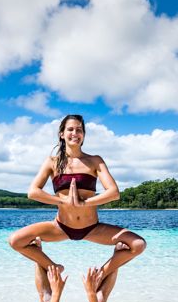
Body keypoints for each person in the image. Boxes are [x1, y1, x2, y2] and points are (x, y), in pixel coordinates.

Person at [8, 115, 146, 283]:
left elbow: (113, 192)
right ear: (61, 134)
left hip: (92, 228)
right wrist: (63, 201)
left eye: (79, 130)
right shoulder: (52, 162)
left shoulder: (95, 161)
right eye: (70, 129)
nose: (75, 133)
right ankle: (53, 267)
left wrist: (84, 203)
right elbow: (33, 192)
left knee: (138, 244)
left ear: (84, 135)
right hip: (60, 227)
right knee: (15, 240)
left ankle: (102, 273)